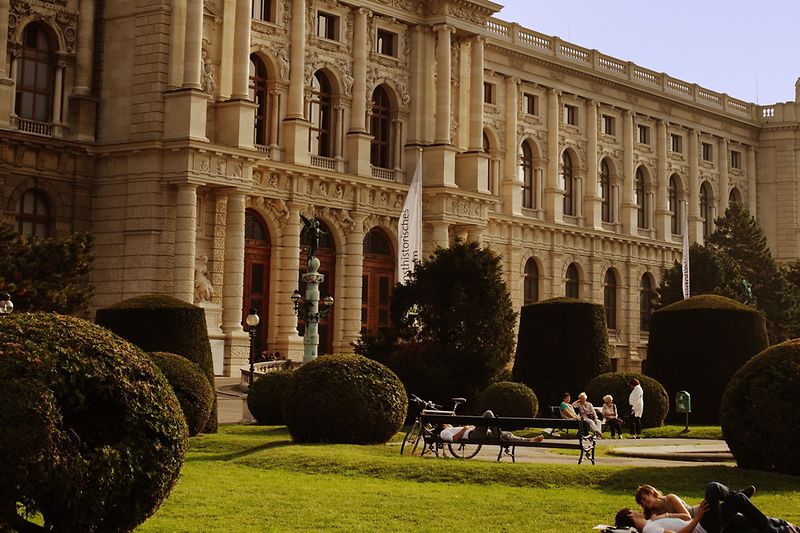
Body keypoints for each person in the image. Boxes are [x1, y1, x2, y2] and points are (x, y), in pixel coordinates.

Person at [616, 482, 799, 533]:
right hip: (704, 522)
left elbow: (686, 515)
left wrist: (664, 516)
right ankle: (734, 495)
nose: (643, 505)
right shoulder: (650, 523)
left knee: (747, 521)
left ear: (651, 492)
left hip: (706, 514)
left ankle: (783, 526)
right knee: (715, 489)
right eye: (640, 504)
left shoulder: (669, 499)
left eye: (644, 498)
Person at [438, 410, 545, 444]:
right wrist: (464, 429)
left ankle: (529, 440)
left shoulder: (451, 428)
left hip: (478, 432)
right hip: (473, 435)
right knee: (488, 413)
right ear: (442, 425)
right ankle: (499, 437)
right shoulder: (444, 432)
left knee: (507, 435)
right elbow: (453, 439)